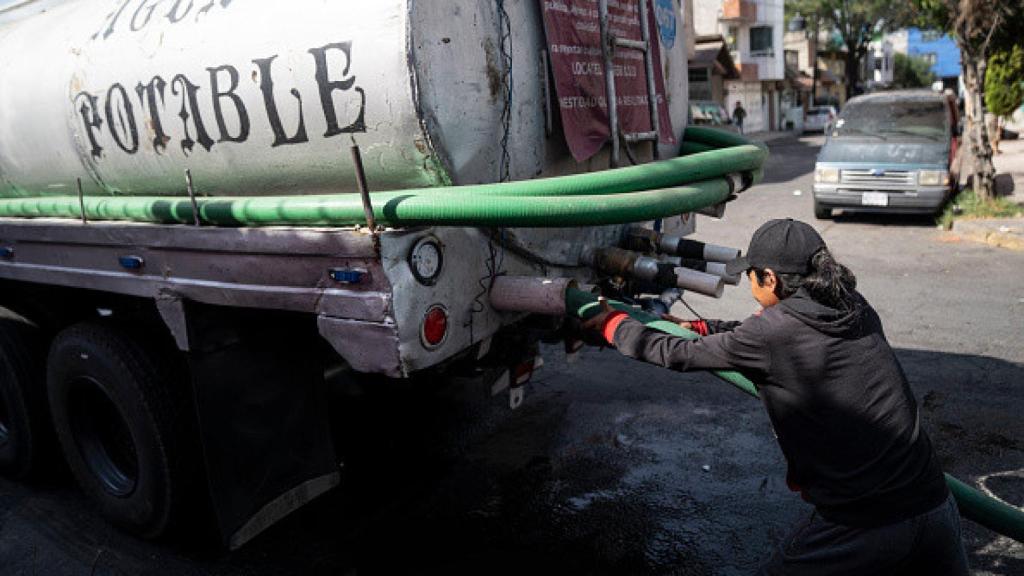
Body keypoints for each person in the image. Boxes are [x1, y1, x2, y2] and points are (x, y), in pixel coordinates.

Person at [582, 219, 968, 575]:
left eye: (751, 276)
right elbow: (763, 334)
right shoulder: (851, 304)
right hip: (935, 505)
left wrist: (614, 324)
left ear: (769, 278)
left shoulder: (773, 334)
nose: (750, 285)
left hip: (865, 522)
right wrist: (700, 325)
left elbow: (675, 353)